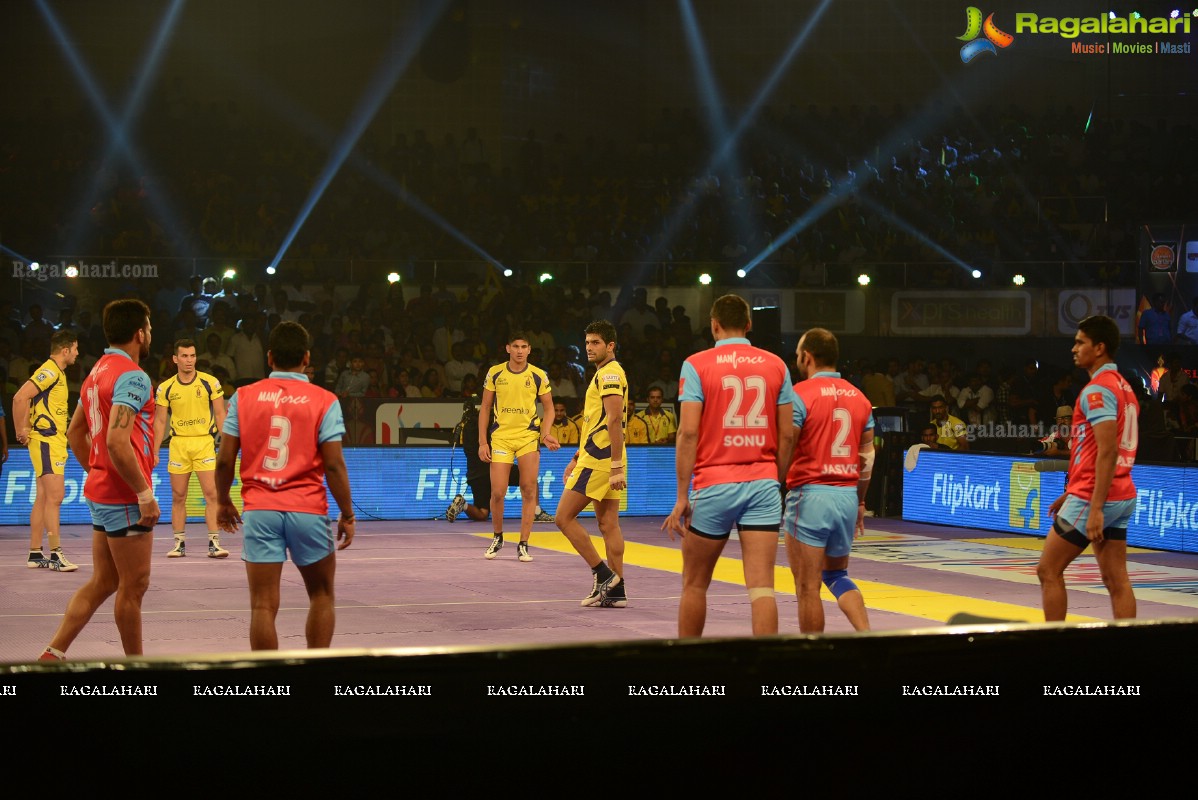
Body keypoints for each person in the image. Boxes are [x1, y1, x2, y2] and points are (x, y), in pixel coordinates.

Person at [214, 321, 355, 650]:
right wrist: (347, 513)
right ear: (306, 358)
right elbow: (333, 464)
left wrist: (222, 501)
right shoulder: (325, 400)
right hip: (307, 508)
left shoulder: (243, 398)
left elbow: (224, 460)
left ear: (269, 357)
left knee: (263, 605)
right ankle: (314, 678)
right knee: (321, 595)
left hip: (261, 509)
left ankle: (270, 686)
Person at [663, 294, 796, 637]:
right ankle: (765, 676)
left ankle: (689, 676)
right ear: (749, 325)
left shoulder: (696, 364)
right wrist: (774, 480)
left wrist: (682, 496)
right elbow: (786, 437)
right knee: (762, 587)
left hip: (714, 484)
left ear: (714, 325)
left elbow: (688, 432)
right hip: (763, 484)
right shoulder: (776, 365)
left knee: (694, 584)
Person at [39, 300, 159, 660]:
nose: (150, 333)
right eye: (149, 327)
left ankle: (53, 653)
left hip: (101, 493)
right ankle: (137, 671)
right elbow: (116, 441)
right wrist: (142, 493)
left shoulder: (96, 371)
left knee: (104, 580)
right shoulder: (133, 376)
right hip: (124, 498)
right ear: (140, 333)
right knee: (134, 586)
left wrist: (97, 471)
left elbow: (76, 432)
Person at [1037, 315, 1139, 621]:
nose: (1074, 348)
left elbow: (1107, 451)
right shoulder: (1124, 386)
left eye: (1080, 342)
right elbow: (1096, 449)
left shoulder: (1098, 390)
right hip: (1121, 493)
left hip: (1097, 496)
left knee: (1048, 570)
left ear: (1099, 348)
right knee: (1116, 580)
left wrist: (1093, 506)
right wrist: (1071, 492)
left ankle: (1054, 644)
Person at [783, 327, 875, 633]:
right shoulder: (861, 399)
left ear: (807, 357)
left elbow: (787, 445)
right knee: (837, 575)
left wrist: (773, 485)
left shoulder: (799, 395)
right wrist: (861, 500)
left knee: (807, 588)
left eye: (798, 355)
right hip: (847, 497)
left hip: (810, 496)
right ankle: (866, 634)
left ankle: (813, 662)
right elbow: (867, 460)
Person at [554, 320, 628, 607]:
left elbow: (613, 420)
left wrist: (616, 466)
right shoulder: (605, 373)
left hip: (600, 460)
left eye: (595, 342)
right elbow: (595, 424)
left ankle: (604, 574)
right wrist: (575, 457)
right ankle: (616, 590)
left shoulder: (609, 374)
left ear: (610, 345)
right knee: (608, 523)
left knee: (562, 517)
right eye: (587, 343)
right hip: (600, 456)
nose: (589, 347)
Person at [476, 332, 560, 562]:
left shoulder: (538, 375)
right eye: (516, 346)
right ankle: (498, 537)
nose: (520, 350)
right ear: (508, 348)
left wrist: (546, 432)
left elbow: (549, 408)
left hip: (528, 437)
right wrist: (483, 442)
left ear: (529, 350)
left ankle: (523, 543)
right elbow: (484, 408)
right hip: (501, 437)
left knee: (529, 489)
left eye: (524, 346)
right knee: (498, 492)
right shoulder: (495, 373)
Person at [153, 338, 230, 559]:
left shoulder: (210, 383)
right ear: (175, 359)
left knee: (211, 494)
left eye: (193, 356)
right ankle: (179, 544)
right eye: (185, 356)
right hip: (179, 445)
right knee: (178, 496)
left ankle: (214, 544)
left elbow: (220, 414)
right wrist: (156, 450)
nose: (189, 360)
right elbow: (159, 422)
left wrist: (226, 443)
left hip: (204, 443)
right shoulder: (165, 388)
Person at [13, 329, 80, 571]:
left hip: (53, 441)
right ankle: (55, 555)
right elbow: (20, 398)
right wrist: (21, 428)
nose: (77, 353)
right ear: (65, 350)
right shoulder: (49, 371)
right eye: (75, 349)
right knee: (55, 497)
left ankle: (34, 553)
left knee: (43, 497)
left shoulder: (57, 373)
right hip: (46, 441)